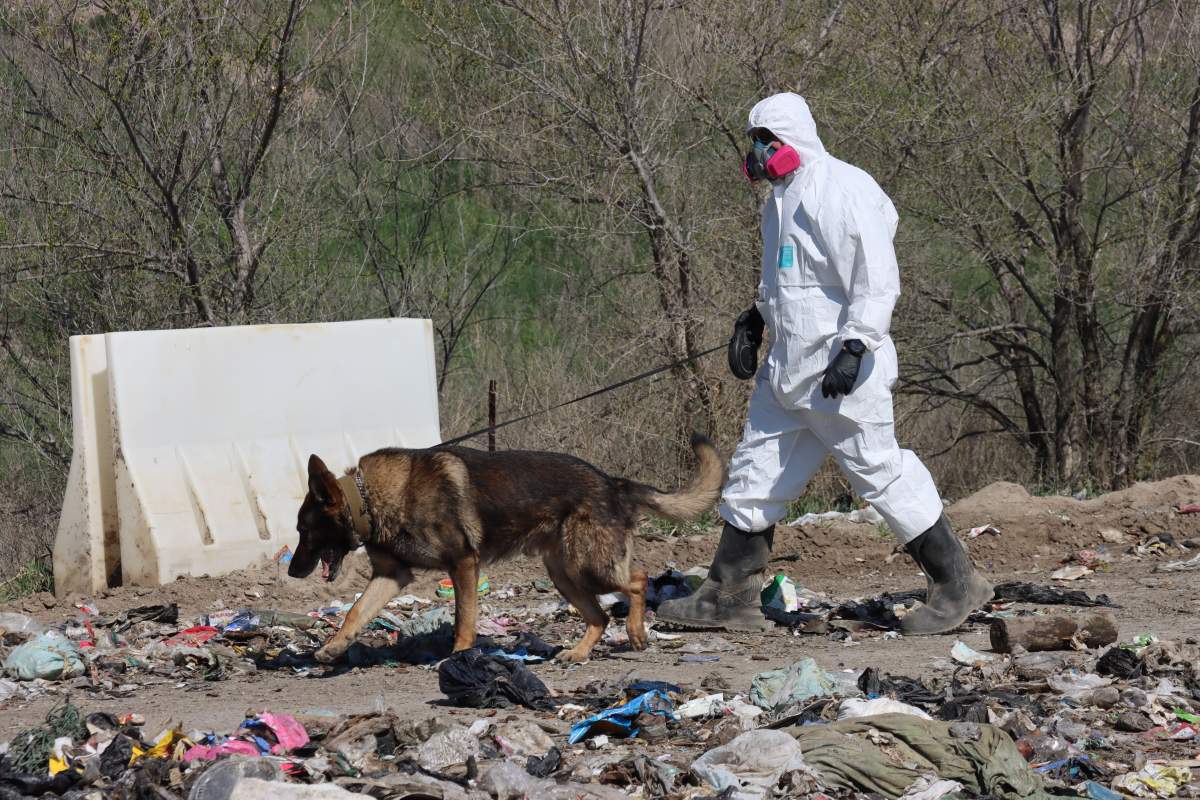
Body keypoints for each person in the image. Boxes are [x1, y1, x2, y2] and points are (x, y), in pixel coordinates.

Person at [657, 93, 992, 636]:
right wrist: (755, 319)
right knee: (755, 474)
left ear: (793, 141)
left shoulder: (841, 188)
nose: (758, 152)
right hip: (788, 372)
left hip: (841, 373)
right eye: (753, 141)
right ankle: (726, 597)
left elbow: (875, 277)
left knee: (880, 471)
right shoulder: (778, 202)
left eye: (767, 140)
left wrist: (857, 344)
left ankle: (958, 584)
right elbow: (792, 281)